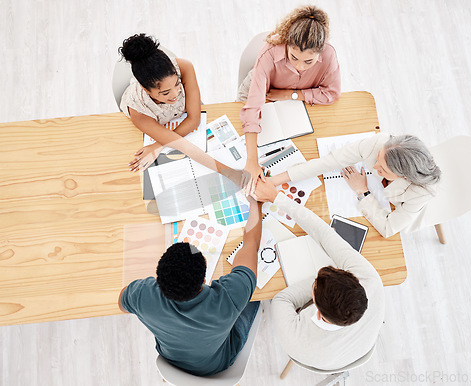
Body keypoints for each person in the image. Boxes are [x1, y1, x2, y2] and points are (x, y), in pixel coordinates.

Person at [118, 197, 263, 376]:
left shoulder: (142, 295)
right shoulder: (228, 297)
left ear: (159, 278)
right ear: (204, 280)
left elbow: (122, 303)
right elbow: (251, 244)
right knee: (257, 298)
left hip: (171, 359)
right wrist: (256, 203)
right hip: (218, 362)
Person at [252, 177, 384, 370]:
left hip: (324, 355)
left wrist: (317, 282)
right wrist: (276, 197)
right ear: (355, 279)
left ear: (316, 308)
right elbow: (326, 234)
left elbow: (282, 299)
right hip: (357, 347)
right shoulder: (371, 281)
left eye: (314, 288)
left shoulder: (297, 339)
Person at [238, 5, 341, 194]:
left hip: (294, 100)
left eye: (308, 62)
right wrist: (251, 161)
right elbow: (252, 107)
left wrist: (292, 95)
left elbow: (332, 93)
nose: (300, 66)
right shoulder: (270, 52)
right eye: (293, 57)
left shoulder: (329, 54)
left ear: (320, 51)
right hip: (262, 91)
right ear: (286, 44)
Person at [268, 133, 441, 238]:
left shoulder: (421, 192)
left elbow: (388, 228)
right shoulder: (379, 143)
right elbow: (329, 161)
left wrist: (362, 191)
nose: (374, 167)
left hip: (396, 207)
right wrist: (276, 180)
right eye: (378, 158)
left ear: (404, 176)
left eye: (383, 170)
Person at [119, 33, 237, 181]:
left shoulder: (184, 67)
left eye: (177, 84)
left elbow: (194, 120)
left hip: (177, 121)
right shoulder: (138, 110)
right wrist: (233, 174)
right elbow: (185, 147)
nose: (175, 94)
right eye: (165, 92)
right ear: (145, 89)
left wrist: (158, 145)